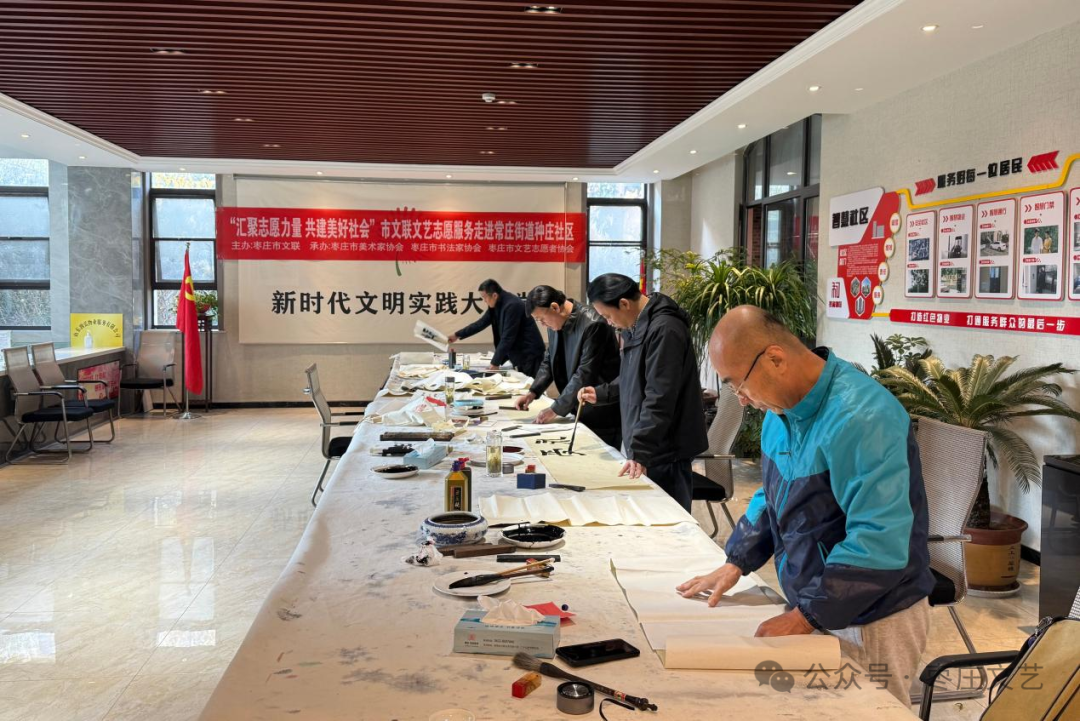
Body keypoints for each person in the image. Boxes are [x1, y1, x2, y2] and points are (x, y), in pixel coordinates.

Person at [676, 306, 934, 704]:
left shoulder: (863, 417)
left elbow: (879, 541)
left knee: (871, 711)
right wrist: (737, 561)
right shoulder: (782, 412)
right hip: (818, 601)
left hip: (874, 612)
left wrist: (804, 617)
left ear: (775, 359)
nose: (740, 400)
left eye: (739, 384)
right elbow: (771, 496)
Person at [577, 273, 707, 511]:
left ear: (624, 303)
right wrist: (603, 393)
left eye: (607, 316)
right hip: (649, 442)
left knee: (668, 518)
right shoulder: (636, 325)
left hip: (665, 447)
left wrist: (641, 450)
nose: (608, 323)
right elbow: (633, 377)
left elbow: (660, 395)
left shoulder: (665, 329)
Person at [515, 285, 622, 448]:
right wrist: (533, 392)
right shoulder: (555, 323)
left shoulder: (593, 324)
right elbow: (549, 360)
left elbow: (585, 373)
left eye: (541, 319)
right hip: (576, 405)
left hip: (600, 411)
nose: (542, 324)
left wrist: (555, 409)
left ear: (555, 307)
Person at [448, 279, 545, 377]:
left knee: (530, 383)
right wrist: (457, 335)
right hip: (520, 353)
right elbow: (480, 323)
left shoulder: (512, 305)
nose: (484, 301)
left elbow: (508, 337)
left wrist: (495, 363)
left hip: (530, 354)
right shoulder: (496, 304)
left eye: (484, 297)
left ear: (494, 295)